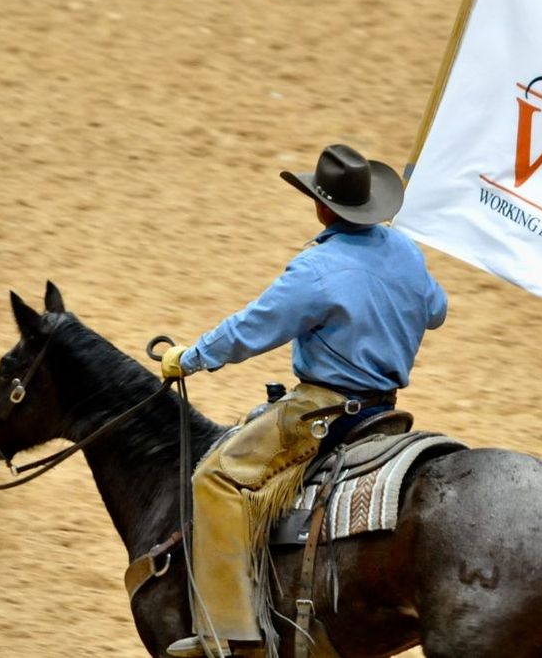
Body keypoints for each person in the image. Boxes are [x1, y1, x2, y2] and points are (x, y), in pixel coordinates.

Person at [162, 143, 447, 658]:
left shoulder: (315, 269)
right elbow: (436, 310)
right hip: (386, 409)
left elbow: (253, 328)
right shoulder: (405, 251)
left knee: (217, 480)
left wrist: (190, 357)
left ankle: (232, 636)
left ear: (321, 206)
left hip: (323, 410)